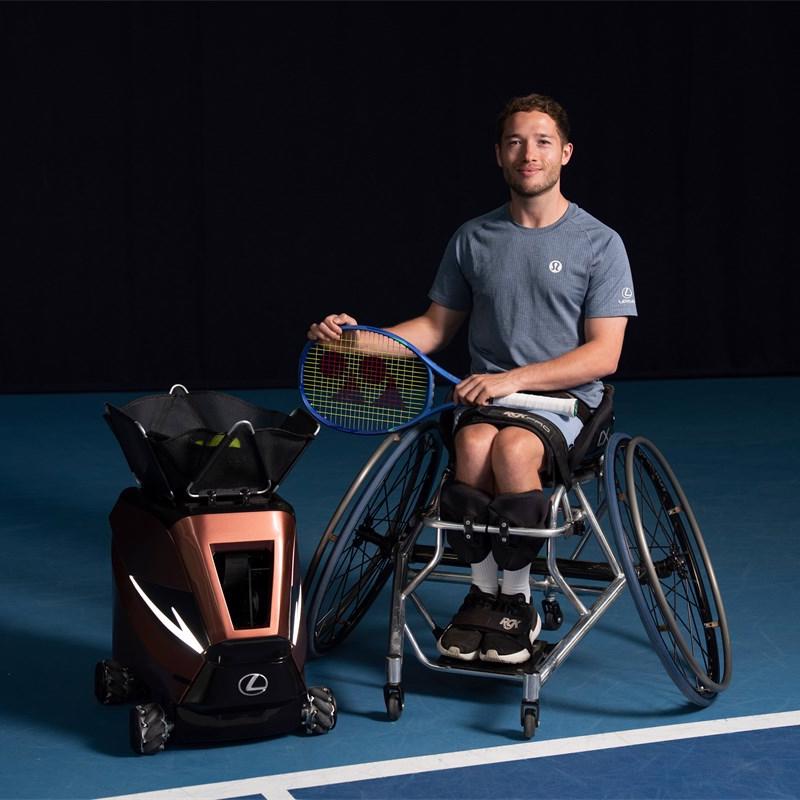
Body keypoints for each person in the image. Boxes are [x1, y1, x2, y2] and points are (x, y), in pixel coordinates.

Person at [307, 93, 637, 666]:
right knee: (474, 444)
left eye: (542, 142)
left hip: (563, 404)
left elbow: (604, 354)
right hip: (489, 399)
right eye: (515, 142)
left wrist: (512, 380)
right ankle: (484, 596)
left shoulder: (600, 243)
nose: (528, 154)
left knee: (512, 450)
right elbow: (434, 328)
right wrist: (354, 339)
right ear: (499, 154)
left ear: (565, 152)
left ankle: (518, 603)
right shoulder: (473, 238)